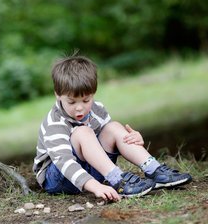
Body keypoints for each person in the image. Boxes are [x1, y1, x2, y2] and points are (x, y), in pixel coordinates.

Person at [33, 53, 192, 201]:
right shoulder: (54, 122)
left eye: (86, 100)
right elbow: (64, 162)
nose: (80, 108)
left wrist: (133, 139)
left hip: (93, 169)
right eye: (72, 102)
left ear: (93, 93)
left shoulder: (97, 109)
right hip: (59, 177)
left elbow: (112, 139)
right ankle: (118, 179)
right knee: (83, 132)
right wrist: (95, 186)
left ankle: (155, 170)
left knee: (113, 127)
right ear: (57, 94)